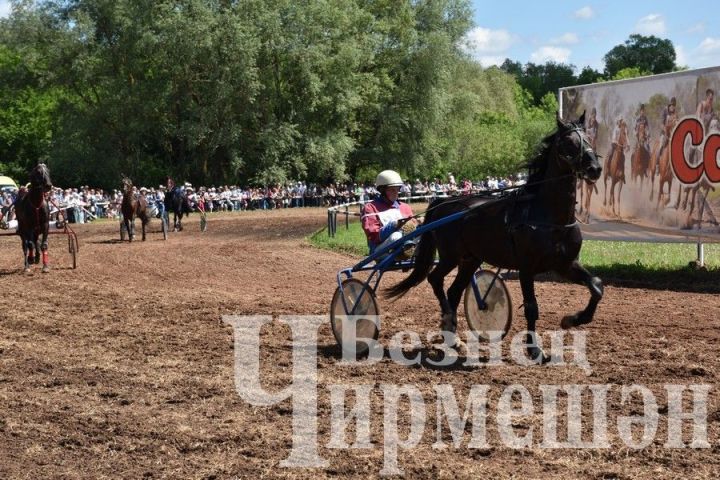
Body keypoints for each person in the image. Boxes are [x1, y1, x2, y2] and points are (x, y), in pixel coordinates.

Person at [361, 169, 419, 256]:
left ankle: (407, 251)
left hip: (405, 242)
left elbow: (413, 228)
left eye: (397, 189)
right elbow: (373, 237)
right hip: (379, 249)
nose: (396, 193)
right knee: (396, 236)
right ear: (382, 190)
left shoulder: (405, 207)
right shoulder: (370, 207)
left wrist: (418, 222)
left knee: (426, 233)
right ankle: (402, 252)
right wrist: (394, 225)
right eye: (392, 190)